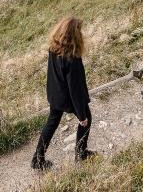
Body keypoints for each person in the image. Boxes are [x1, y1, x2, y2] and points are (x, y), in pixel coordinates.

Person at [31, 17, 95, 170]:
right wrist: (81, 115)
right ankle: (81, 153)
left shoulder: (54, 48)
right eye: (79, 30)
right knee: (87, 118)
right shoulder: (72, 57)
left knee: (51, 123)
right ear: (74, 34)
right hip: (67, 96)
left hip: (55, 94)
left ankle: (37, 159)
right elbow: (75, 88)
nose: (81, 33)